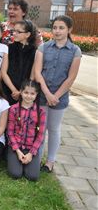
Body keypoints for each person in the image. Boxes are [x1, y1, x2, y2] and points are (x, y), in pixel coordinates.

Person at [34, 15, 81, 173]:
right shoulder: (43, 48)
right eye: (54, 27)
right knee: (41, 128)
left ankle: (50, 161)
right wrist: (47, 93)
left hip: (60, 98)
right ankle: (37, 158)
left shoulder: (75, 51)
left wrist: (56, 96)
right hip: (42, 94)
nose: (57, 31)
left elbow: (71, 78)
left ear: (69, 30)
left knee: (53, 128)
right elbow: (37, 72)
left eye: (61, 28)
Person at [7, 80, 46, 181]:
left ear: (36, 94)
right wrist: (18, 151)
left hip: (30, 148)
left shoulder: (40, 112)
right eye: (26, 92)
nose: (28, 96)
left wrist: (31, 153)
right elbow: (10, 132)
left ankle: (28, 163)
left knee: (33, 176)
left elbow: (40, 135)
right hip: (16, 147)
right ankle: (15, 159)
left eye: (32, 93)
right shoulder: (13, 109)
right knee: (15, 174)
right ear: (21, 92)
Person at [1, 20, 37, 105]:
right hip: (6, 89)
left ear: (27, 34)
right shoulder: (9, 48)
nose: (14, 33)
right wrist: (13, 90)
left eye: (18, 32)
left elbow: (32, 77)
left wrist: (21, 92)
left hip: (24, 93)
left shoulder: (35, 52)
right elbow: (3, 72)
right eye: (14, 31)